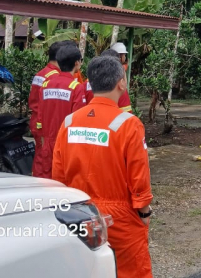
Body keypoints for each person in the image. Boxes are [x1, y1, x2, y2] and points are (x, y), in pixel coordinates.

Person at [53, 55, 153, 278]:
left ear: (90, 82)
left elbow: (58, 172)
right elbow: (139, 174)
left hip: (79, 212)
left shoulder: (70, 121)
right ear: (121, 83)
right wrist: (144, 209)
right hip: (119, 215)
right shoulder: (129, 124)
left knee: (85, 268)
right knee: (130, 270)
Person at [33, 45, 87, 178]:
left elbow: (39, 116)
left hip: (46, 141)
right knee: (62, 183)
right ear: (76, 63)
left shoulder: (46, 84)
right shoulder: (76, 88)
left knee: (44, 179)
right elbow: (78, 120)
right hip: (65, 144)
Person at [29, 40, 72, 177]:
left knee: (40, 157)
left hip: (38, 120)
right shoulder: (54, 77)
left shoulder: (41, 73)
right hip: (46, 123)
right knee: (46, 161)